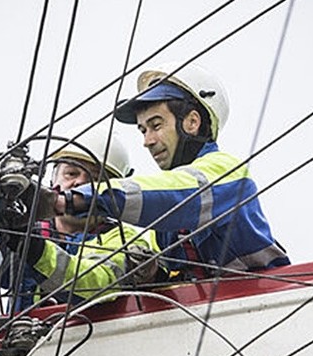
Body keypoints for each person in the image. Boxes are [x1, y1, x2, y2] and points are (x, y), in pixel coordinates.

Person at [55, 62, 289, 276]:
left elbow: (176, 194)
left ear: (192, 122)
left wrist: (73, 199)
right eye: (143, 130)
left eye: (156, 125)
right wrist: (154, 272)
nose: (147, 141)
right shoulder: (162, 229)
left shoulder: (226, 171)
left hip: (272, 308)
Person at [1, 126, 160, 311]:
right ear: (53, 179)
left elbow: (100, 282)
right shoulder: (27, 227)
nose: (79, 182)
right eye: (71, 173)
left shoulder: (124, 238)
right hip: (21, 338)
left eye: (95, 178)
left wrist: (34, 250)